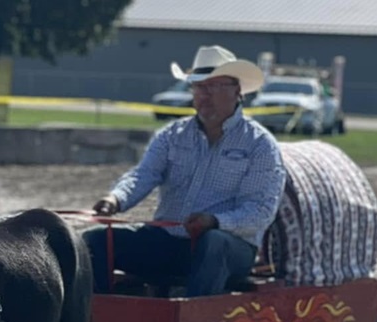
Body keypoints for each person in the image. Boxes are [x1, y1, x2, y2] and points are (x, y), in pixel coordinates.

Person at [83, 45, 286, 297]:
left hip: (230, 248)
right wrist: (116, 198)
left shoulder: (260, 145)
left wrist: (214, 222)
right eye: (199, 87)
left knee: (214, 242)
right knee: (95, 241)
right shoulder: (172, 135)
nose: (204, 95)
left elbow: (260, 211)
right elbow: (144, 174)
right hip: (169, 240)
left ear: (237, 91)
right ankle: (102, 317)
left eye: (213, 86)